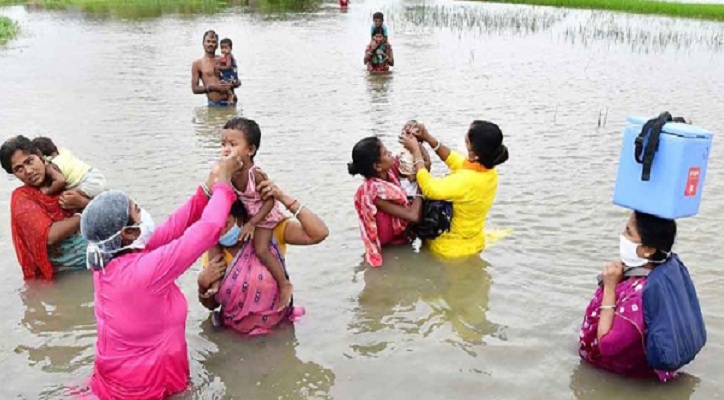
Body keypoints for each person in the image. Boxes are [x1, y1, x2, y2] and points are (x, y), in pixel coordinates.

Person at [79, 151, 244, 399]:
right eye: (137, 209)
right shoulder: (146, 271)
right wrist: (225, 183)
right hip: (146, 385)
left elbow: (172, 230)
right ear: (127, 233)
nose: (142, 211)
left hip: (117, 375)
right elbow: (207, 230)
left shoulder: (108, 260)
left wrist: (207, 190)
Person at [579, 211, 704, 381]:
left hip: (629, 376)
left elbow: (606, 345)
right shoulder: (667, 266)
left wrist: (609, 288)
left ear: (648, 250)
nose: (622, 236)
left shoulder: (638, 297)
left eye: (629, 232)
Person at [197, 177, 329, 335]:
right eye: (215, 227)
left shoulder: (270, 233)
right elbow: (212, 305)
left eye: (226, 224)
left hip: (279, 328)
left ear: (241, 217)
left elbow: (319, 233)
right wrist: (202, 285)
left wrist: (282, 197)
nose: (221, 232)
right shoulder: (214, 253)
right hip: (237, 335)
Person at [201, 117, 294, 310]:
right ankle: (216, 282)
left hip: (263, 217)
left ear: (250, 150)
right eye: (223, 144)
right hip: (245, 216)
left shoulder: (255, 174)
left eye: (233, 144)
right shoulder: (223, 173)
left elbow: (269, 202)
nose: (226, 149)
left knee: (261, 249)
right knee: (212, 239)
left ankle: (284, 284)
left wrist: (253, 223)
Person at [400, 120, 509, 258]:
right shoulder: (488, 170)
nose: (465, 137)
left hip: (449, 251)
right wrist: (428, 138)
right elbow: (453, 159)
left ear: (474, 152)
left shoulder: (466, 180)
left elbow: (429, 188)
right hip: (474, 241)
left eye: (468, 139)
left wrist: (416, 152)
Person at [1, 135, 90, 280]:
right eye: (19, 169)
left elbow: (105, 205)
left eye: (30, 161)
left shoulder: (66, 175)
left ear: (39, 155)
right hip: (66, 276)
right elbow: (49, 236)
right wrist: (83, 214)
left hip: (100, 261)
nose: (28, 171)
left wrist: (83, 203)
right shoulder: (22, 199)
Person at [348, 133, 429, 267]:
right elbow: (413, 215)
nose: (391, 153)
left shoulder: (390, 170)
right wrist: (421, 187)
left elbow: (424, 166)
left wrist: (417, 143)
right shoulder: (375, 194)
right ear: (377, 166)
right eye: (386, 153)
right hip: (392, 248)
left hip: (402, 241)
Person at [31, 137, 108, 199]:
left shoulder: (51, 166)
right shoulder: (64, 152)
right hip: (95, 174)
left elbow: (60, 181)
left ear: (41, 157)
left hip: (88, 184)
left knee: (65, 196)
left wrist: (48, 191)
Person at [192, 30, 240, 107]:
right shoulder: (198, 64)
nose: (210, 44)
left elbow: (238, 81)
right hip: (214, 105)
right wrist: (214, 88)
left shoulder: (225, 60)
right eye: (208, 41)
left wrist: (231, 85)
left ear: (217, 45)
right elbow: (195, 89)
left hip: (230, 103)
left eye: (213, 42)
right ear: (203, 43)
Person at [218, 37, 240, 104]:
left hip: (230, 77)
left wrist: (219, 68)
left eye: (225, 48)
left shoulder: (228, 56)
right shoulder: (226, 56)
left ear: (230, 48)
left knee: (224, 84)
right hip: (232, 77)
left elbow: (228, 66)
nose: (223, 50)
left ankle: (230, 95)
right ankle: (234, 95)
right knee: (230, 87)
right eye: (222, 48)